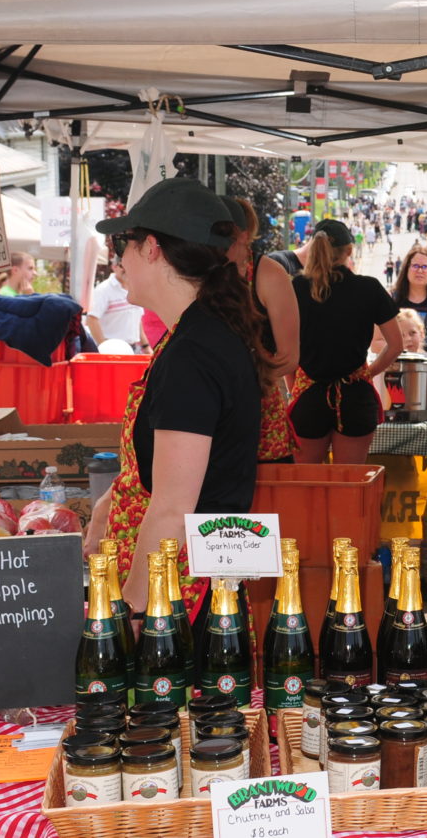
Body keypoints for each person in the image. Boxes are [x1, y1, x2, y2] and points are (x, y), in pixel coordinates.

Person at [86, 178, 271, 612]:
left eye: (122, 246)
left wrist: (133, 610)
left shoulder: (193, 353)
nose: (119, 262)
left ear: (151, 247)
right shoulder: (195, 335)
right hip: (196, 575)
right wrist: (106, 507)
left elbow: (172, 507)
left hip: (182, 590)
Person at [288, 220, 402, 465]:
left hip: (309, 393)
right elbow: (395, 345)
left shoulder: (296, 287)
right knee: (349, 485)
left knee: (306, 485)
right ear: (349, 250)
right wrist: (368, 373)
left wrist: (295, 384)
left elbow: (283, 346)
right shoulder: (369, 288)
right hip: (354, 394)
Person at [225, 199, 300, 464]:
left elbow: (289, 357)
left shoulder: (268, 274)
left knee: (267, 498)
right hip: (212, 413)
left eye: (224, 237)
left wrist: (242, 383)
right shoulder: (201, 272)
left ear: (244, 236)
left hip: (258, 409)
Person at [85, 261, 146, 353]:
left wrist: (145, 346)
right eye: (122, 266)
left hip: (133, 349)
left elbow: (137, 320)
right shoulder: (104, 289)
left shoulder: (135, 287)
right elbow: (91, 319)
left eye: (129, 265)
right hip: (113, 351)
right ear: (114, 267)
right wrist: (105, 347)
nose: (126, 269)